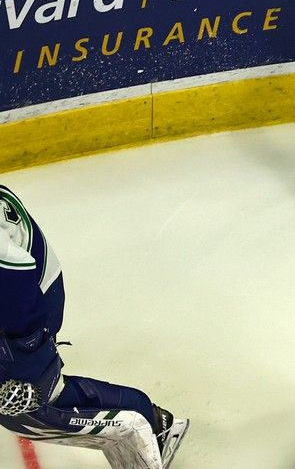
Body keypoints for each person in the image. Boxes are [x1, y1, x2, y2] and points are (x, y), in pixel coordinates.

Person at [0, 185, 188, 468]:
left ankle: (149, 420)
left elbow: (15, 282)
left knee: (35, 405)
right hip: (21, 290)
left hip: (32, 301)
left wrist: (28, 358)